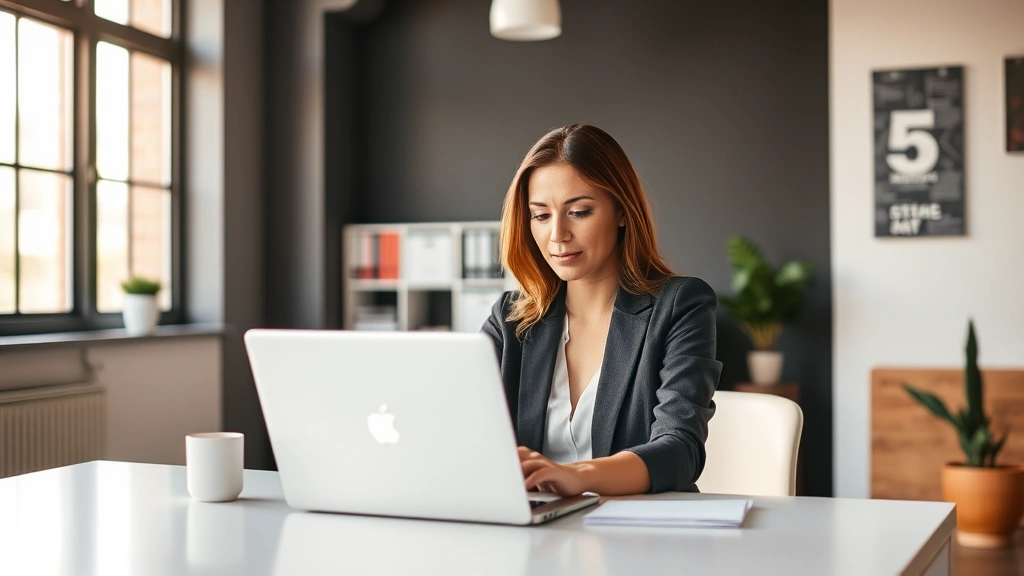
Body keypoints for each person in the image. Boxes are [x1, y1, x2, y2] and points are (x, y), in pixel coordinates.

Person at [482, 124, 722, 497]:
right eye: (541, 216)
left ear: (622, 212)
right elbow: (462, 433)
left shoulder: (681, 305)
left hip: (640, 539)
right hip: (536, 535)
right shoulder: (510, 319)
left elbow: (680, 449)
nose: (557, 234)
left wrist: (578, 475)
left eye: (578, 212)